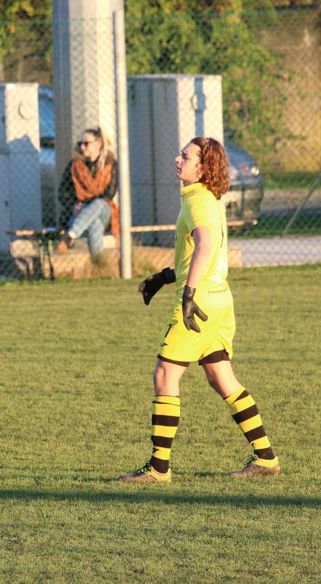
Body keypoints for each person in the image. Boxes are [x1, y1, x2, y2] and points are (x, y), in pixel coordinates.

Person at [119, 136, 281, 483]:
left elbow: (205, 245)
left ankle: (158, 468)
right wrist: (166, 276)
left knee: (165, 376)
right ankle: (266, 457)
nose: (177, 159)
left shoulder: (197, 200)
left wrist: (188, 294)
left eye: (186, 156)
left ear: (203, 167)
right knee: (222, 378)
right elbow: (199, 253)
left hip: (200, 305)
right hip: (220, 301)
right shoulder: (208, 198)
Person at [56, 126, 119, 260]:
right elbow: (62, 193)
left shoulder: (110, 164)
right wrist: (73, 206)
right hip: (78, 212)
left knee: (99, 204)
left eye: (86, 143)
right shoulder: (74, 166)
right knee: (94, 224)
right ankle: (98, 264)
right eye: (80, 143)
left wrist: (86, 205)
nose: (82, 147)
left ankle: (70, 236)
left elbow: (109, 194)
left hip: (104, 211)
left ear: (98, 144)